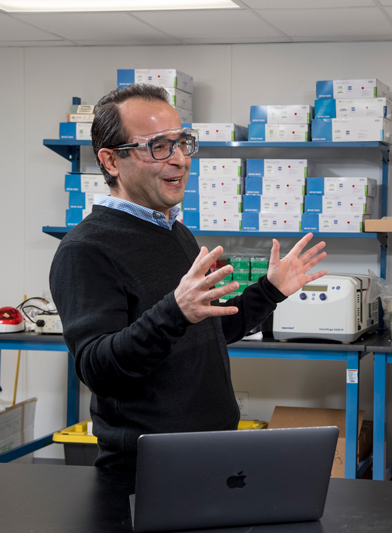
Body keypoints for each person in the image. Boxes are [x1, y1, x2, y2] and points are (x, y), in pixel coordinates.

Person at [49, 84, 327, 471]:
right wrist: (175, 311)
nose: (179, 159)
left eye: (182, 143)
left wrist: (269, 291)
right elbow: (99, 369)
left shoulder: (175, 232)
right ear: (111, 161)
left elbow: (206, 331)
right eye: (158, 146)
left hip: (210, 450)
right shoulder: (86, 249)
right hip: (148, 466)